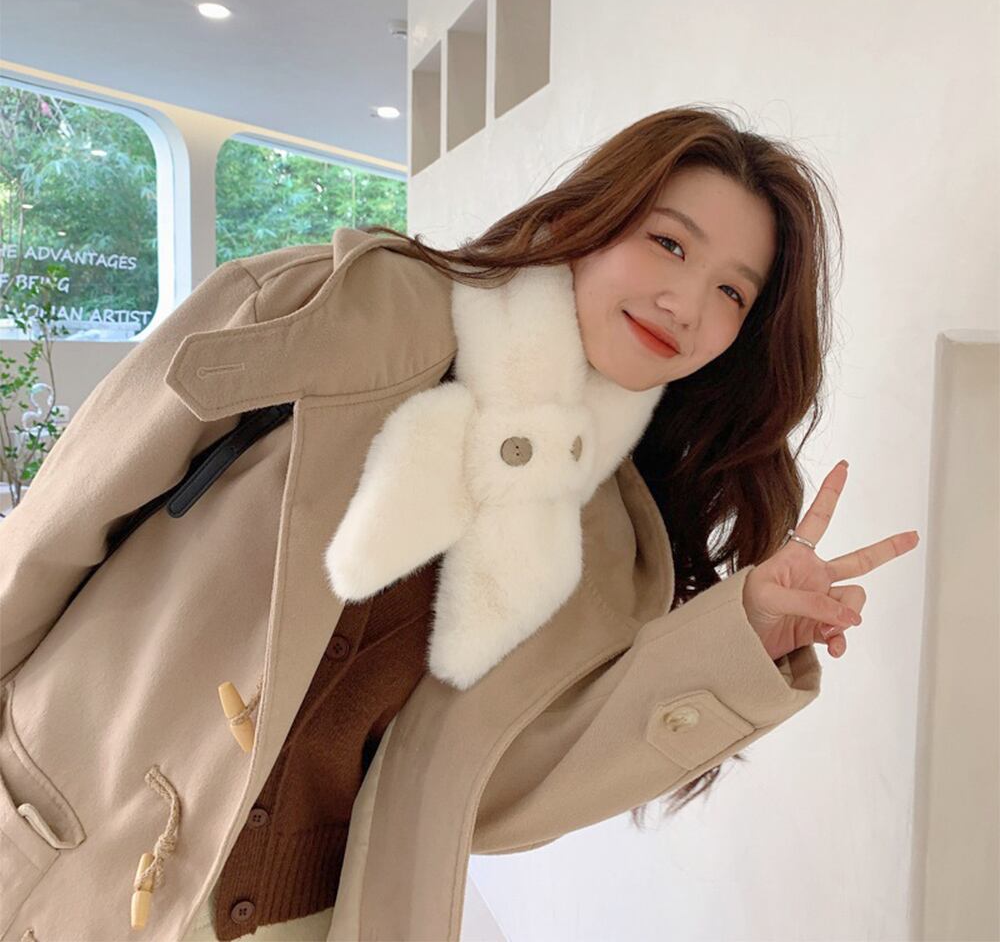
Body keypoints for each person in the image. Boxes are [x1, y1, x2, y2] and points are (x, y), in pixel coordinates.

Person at [1, 105, 918, 942]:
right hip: (61, 845)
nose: (688, 305)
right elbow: (59, 528)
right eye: (669, 243)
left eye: (732, 294)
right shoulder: (326, 308)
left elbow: (489, 796)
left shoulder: (613, 558)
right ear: (586, 217)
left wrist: (745, 634)